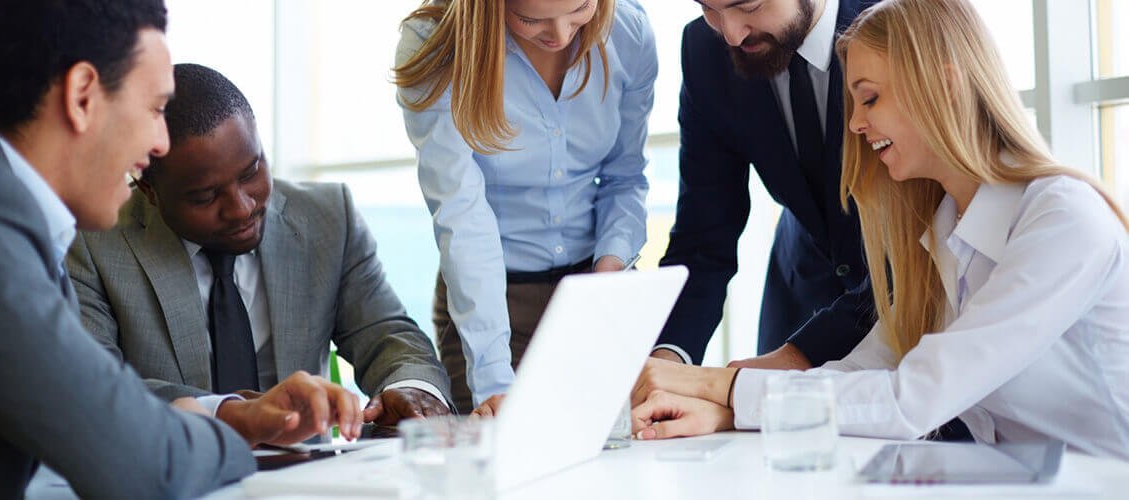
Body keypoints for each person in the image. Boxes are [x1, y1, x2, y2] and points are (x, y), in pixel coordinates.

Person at [629, 0, 1129, 460]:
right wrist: (728, 412)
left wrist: (719, 386)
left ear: (945, 85)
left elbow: (913, 397)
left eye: (868, 99)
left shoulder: (1062, 220)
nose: (854, 125)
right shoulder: (943, 228)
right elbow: (857, 368)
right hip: (1023, 475)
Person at [0, 1, 363, 498]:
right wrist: (233, 435)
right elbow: (145, 461)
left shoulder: (17, 222)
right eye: (155, 108)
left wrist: (232, 418)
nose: (161, 144)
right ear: (82, 97)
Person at [68, 63, 453, 424]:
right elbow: (89, 385)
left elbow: (387, 334)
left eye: (251, 172)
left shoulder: (329, 219)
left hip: (309, 469)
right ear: (148, 190)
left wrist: (413, 388)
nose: (241, 207)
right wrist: (232, 413)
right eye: (205, 196)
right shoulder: (92, 243)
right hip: (170, 468)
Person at [394, 0, 656, 413]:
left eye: (581, 8)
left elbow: (625, 177)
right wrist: (494, 378)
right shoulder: (435, 45)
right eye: (531, 19)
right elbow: (462, 215)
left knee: (619, 443)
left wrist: (609, 277)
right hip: (491, 301)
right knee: (498, 444)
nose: (561, 35)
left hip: (597, 284)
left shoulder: (629, 32)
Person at [653, 0, 880, 371]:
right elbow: (703, 239)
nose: (730, 34)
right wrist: (668, 361)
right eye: (708, 8)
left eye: (749, 6)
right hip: (799, 302)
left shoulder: (902, 22)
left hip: (909, 306)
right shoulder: (705, 50)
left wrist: (790, 359)